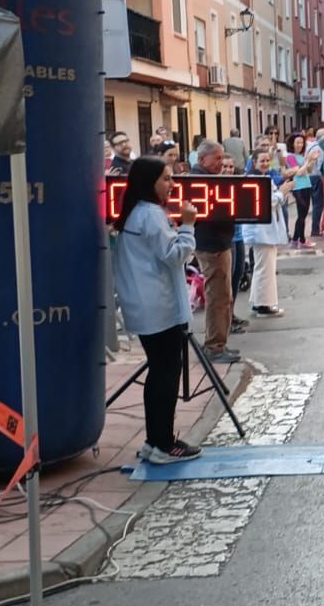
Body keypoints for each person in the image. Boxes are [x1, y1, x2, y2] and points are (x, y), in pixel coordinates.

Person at [111, 156, 202, 464]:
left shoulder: (137, 213)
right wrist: (188, 227)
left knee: (159, 372)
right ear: (149, 182)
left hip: (147, 305)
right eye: (166, 179)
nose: (172, 184)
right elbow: (175, 256)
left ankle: (156, 440)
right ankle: (164, 443)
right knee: (166, 374)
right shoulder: (150, 215)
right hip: (159, 308)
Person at [190, 140, 242, 363]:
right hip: (210, 246)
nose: (222, 163)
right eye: (217, 158)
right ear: (203, 160)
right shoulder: (197, 182)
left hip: (221, 243)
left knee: (224, 296)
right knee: (217, 297)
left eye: (223, 158)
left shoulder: (214, 179)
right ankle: (214, 347)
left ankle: (220, 342)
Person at [244, 149, 295, 317]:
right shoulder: (254, 180)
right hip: (260, 231)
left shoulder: (264, 178)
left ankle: (258, 301)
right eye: (262, 161)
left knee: (264, 267)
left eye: (267, 160)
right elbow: (266, 202)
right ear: (254, 163)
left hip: (266, 230)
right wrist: (283, 192)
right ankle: (263, 305)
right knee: (264, 268)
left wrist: (282, 192)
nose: (265, 164)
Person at [287, 134, 315, 250]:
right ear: (292, 144)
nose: (299, 145)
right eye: (297, 142)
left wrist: (312, 160)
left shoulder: (301, 156)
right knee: (302, 214)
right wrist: (307, 161)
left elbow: (309, 170)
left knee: (303, 213)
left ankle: (295, 240)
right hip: (298, 187)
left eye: (301, 143)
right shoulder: (290, 157)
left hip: (306, 185)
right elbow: (298, 173)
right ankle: (302, 240)